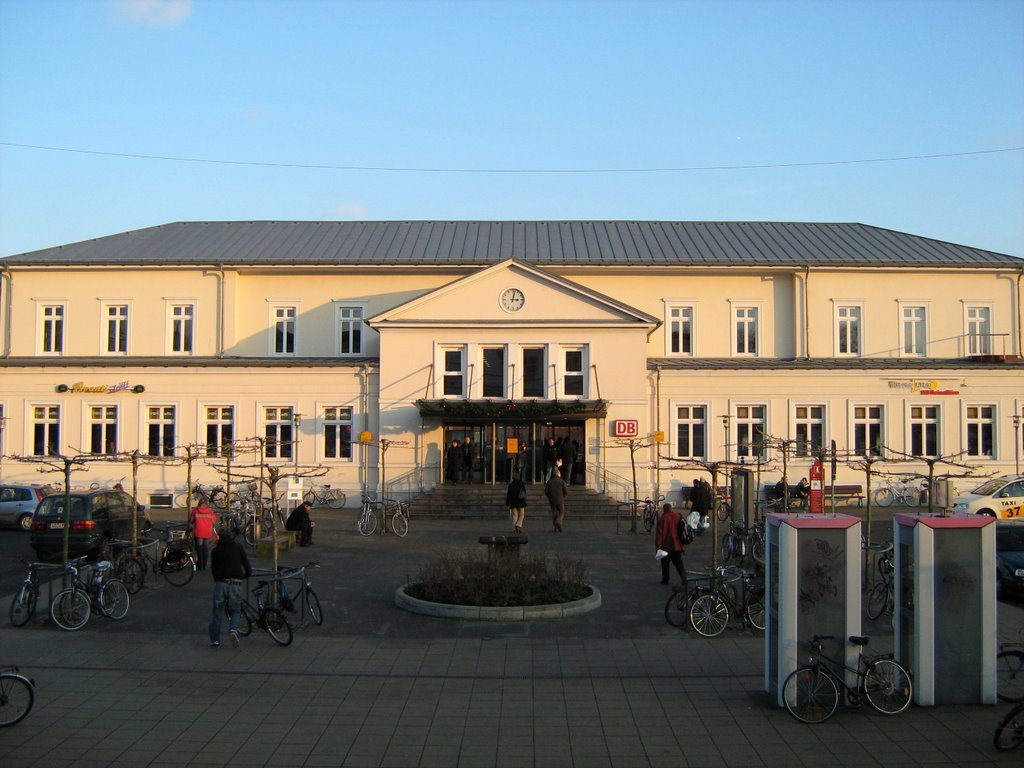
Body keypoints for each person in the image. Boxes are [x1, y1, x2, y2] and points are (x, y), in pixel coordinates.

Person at [208, 530, 252, 648]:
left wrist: (217, 579)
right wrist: (243, 576)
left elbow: (214, 569)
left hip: (220, 582)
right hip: (236, 582)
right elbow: (248, 567)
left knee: (217, 611)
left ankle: (215, 640)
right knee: (235, 610)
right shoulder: (238, 548)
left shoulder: (216, 551)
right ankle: (233, 629)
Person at [655, 502, 687, 586]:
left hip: (666, 545)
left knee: (665, 562)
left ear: (664, 510)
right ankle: (683, 576)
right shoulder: (678, 516)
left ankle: (665, 578)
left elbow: (659, 534)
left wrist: (658, 546)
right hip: (677, 544)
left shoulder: (663, 519)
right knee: (678, 562)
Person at [188, 503, 218, 572]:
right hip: (207, 532)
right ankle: (204, 565)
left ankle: (200, 565)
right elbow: (214, 520)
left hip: (198, 531)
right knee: (205, 548)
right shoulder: (210, 511)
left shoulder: (195, 510)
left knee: (199, 549)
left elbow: (191, 520)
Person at [545, 468, 568, 532]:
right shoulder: (562, 481)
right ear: (559, 474)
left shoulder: (549, 482)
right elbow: (565, 491)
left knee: (554, 513)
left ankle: (555, 527)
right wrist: (563, 497)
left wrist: (549, 497)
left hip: (552, 500)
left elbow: (546, 491)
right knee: (561, 512)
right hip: (560, 499)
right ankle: (559, 521)